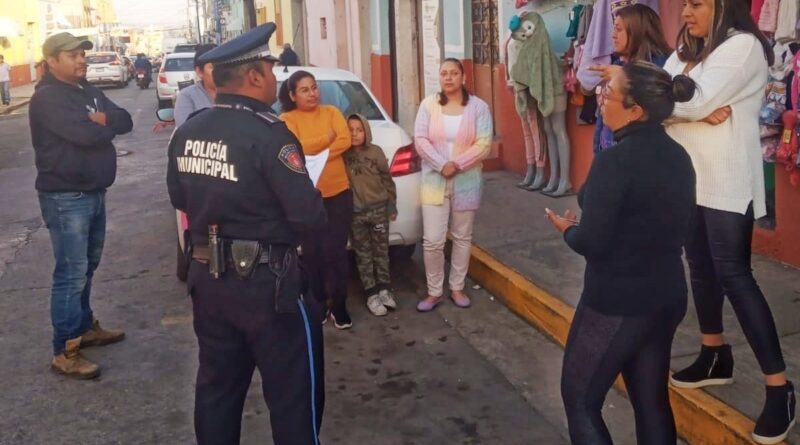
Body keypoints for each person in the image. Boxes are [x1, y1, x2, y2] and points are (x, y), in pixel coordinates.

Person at [166, 23, 327, 445]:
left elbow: (180, 198)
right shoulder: (269, 133)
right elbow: (308, 215)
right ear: (253, 75)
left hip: (209, 283)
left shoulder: (189, 130)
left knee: (217, 392)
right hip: (268, 287)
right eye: (270, 70)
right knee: (293, 401)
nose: (275, 78)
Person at [662, 1, 795, 443]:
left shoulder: (741, 48)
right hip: (689, 179)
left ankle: (780, 389)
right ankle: (714, 354)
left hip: (727, 179)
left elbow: (687, 99)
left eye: (695, 3)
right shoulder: (685, 53)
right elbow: (654, 96)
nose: (685, 12)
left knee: (734, 276)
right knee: (700, 269)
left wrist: (686, 106)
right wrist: (687, 108)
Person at [548, 61, 697, 444]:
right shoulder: (679, 156)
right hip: (666, 294)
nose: (600, 99)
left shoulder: (614, 161)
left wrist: (568, 230)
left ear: (635, 111)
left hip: (618, 301)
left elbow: (592, 243)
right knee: (651, 402)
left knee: (580, 399)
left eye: (609, 94)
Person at [29, 32, 131, 379]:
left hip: (94, 191)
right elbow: (86, 136)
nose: (81, 60)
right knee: (71, 274)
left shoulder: (87, 90)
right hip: (66, 197)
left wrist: (102, 121)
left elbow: (125, 119)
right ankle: (65, 350)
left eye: (82, 54)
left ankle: (84, 327)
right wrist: (101, 123)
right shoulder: (48, 98)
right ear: (52, 61)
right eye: (72, 55)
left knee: (86, 267)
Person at [414, 58, 492, 312]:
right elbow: (420, 139)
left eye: (453, 73)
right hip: (433, 181)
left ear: (463, 77)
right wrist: (441, 165)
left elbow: (484, 144)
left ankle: (457, 287)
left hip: (466, 181)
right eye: (444, 73)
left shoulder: (479, 108)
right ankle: (434, 291)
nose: (448, 77)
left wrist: (456, 164)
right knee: (432, 240)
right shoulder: (428, 105)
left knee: (462, 237)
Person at [279, 70, 354, 329]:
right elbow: (296, 147)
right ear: (292, 95)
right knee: (312, 254)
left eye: (314, 88)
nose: (312, 93)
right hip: (308, 198)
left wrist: (317, 153)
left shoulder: (332, 112)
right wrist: (327, 139)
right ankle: (318, 303)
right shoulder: (287, 119)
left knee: (337, 253)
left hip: (339, 194)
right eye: (305, 90)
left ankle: (339, 304)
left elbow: (345, 140)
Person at [585, 4, 672, 153]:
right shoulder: (617, 65)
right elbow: (603, 115)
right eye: (614, 28)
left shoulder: (661, 66)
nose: (613, 35)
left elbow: (657, 106)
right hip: (609, 151)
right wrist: (597, 152)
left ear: (638, 32)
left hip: (639, 154)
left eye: (619, 29)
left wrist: (625, 75)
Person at [343, 113, 398, 317]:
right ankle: (371, 293)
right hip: (356, 214)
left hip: (378, 211)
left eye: (359, 130)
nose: (355, 134)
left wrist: (391, 205)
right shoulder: (343, 155)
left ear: (366, 131)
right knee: (363, 254)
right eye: (350, 130)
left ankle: (385, 289)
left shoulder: (376, 152)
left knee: (381, 252)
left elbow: (387, 179)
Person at [174, 44, 217, 127]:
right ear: (199, 72)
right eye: (213, 67)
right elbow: (185, 129)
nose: (220, 71)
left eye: (223, 66)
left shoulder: (237, 93)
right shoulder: (187, 96)